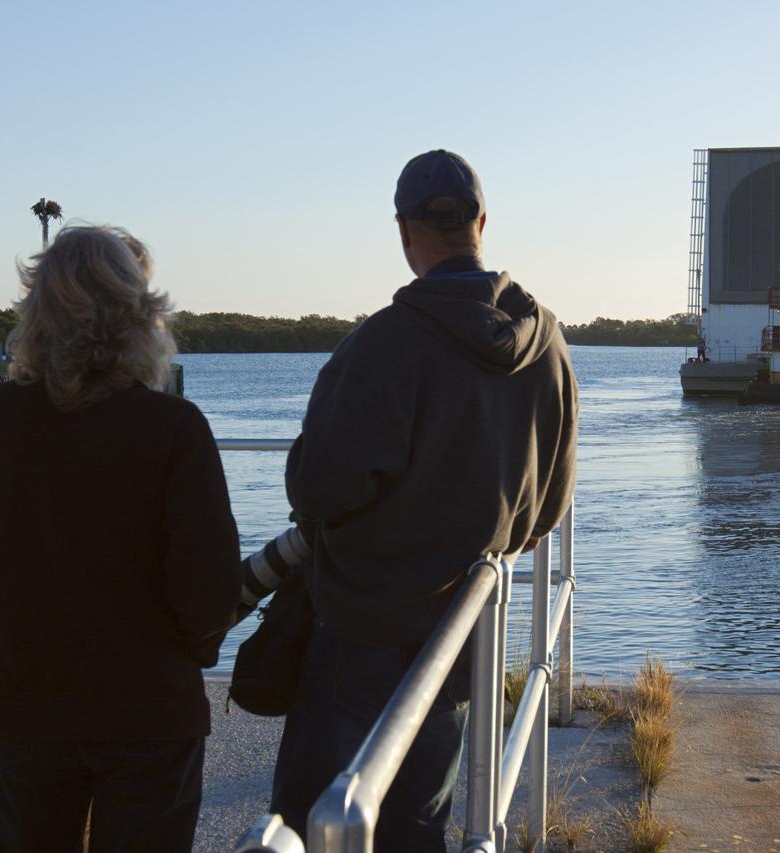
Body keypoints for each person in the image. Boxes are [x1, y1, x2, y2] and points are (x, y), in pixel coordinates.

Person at [270, 150, 578, 849]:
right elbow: (549, 507)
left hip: (362, 632)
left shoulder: (383, 344)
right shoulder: (548, 345)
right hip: (465, 632)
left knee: (310, 817)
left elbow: (317, 486)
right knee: (420, 818)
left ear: (405, 232)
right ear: (481, 222)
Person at [0, 225, 242, 853]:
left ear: (35, 315)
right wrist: (182, 647)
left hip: (27, 704)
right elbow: (210, 591)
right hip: (150, 708)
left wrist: (12, 626)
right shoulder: (174, 427)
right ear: (141, 317)